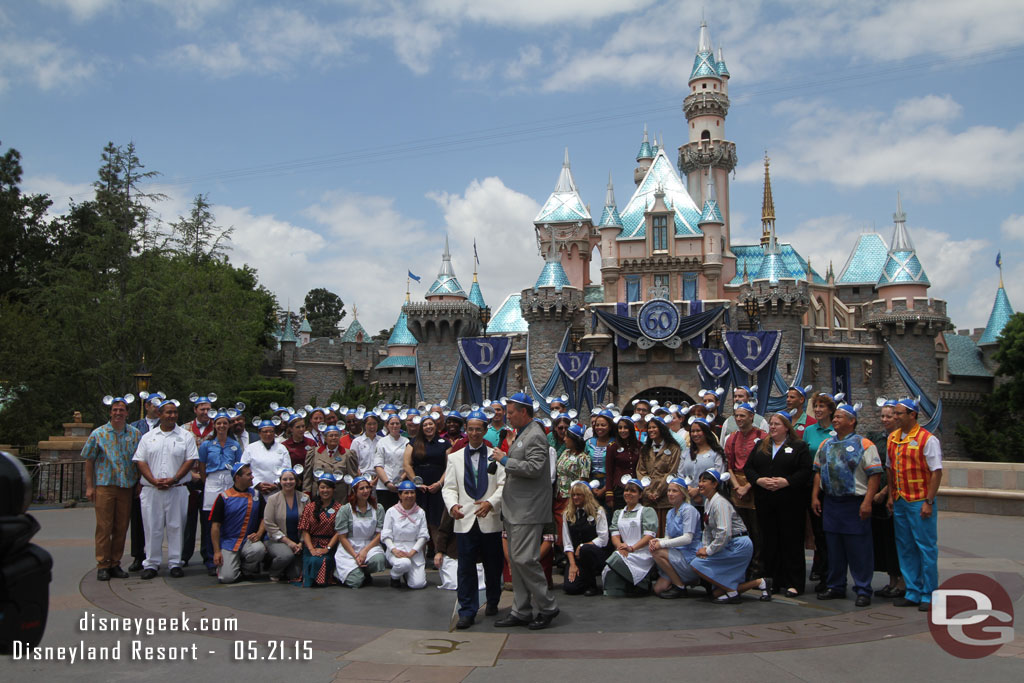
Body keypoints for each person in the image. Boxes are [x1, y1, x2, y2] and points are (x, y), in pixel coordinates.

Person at [490, 392, 560, 630]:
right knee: (517, 562)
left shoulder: (536, 436)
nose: (507, 417)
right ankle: (521, 610)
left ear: (523, 411)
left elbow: (534, 467)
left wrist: (504, 460)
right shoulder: (522, 434)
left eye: (510, 413)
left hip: (528, 510)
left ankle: (548, 605)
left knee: (524, 559)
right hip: (515, 509)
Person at [812, 401, 882, 607]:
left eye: (839, 417)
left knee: (858, 548)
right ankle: (836, 585)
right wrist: (815, 496)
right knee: (834, 547)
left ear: (852, 421)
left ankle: (862, 588)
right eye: (834, 417)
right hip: (832, 502)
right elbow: (817, 471)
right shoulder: (826, 444)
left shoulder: (865, 444)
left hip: (854, 502)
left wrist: (868, 501)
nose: (834, 420)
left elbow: (875, 474)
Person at [442, 409, 506, 629]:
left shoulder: (495, 455)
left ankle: (493, 600)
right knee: (465, 567)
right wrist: (452, 506)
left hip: (489, 517)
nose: (475, 433)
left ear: (485, 431)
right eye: (471, 429)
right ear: (466, 431)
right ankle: (467, 611)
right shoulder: (454, 458)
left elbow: (503, 485)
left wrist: (491, 503)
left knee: (493, 564)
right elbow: (449, 487)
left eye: (479, 429)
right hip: (465, 518)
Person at [744, 410, 811, 597]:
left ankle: (794, 582)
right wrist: (759, 481)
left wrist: (786, 482)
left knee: (791, 542)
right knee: (769, 542)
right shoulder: (761, 446)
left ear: (786, 427)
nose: (772, 427)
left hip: (790, 502)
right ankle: (772, 580)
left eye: (777, 424)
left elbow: (805, 471)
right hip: (766, 501)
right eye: (771, 423)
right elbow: (749, 468)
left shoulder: (799, 446)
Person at [132, 399, 198, 579]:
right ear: (159, 415)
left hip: (177, 488)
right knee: (152, 527)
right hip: (152, 490)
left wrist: (174, 478)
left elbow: (190, 460)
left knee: (176, 526)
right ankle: (151, 563)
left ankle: (175, 562)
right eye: (168, 412)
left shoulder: (185, 436)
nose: (172, 416)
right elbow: (140, 461)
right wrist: (153, 480)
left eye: (175, 412)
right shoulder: (148, 437)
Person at [887, 398, 942, 611]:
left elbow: (936, 472)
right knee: (905, 547)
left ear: (912, 415)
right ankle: (913, 590)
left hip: (919, 500)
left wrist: (929, 501)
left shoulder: (927, 439)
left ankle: (929, 594)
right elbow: (890, 468)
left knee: (926, 547)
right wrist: (892, 496)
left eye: (899, 413)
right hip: (901, 499)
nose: (895, 417)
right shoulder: (892, 438)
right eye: (895, 413)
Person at [82, 393, 141, 581]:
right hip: (105, 485)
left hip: (126, 486)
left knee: (121, 527)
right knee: (104, 527)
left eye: (121, 410)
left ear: (127, 413)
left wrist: (139, 482)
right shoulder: (98, 433)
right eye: (115, 410)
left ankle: (115, 563)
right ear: (110, 412)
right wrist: (90, 486)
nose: (118, 413)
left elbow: (139, 461)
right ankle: (102, 564)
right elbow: (89, 460)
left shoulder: (134, 433)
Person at [690, 469, 771, 603]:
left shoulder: (720, 503)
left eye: (704, 481)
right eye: (699, 481)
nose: (700, 484)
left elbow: (724, 532)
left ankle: (732, 592)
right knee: (716, 593)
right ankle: (759, 583)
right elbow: (708, 530)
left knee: (696, 564)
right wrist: (705, 548)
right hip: (727, 545)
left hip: (738, 545)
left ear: (715, 484)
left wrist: (709, 550)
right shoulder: (709, 502)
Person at [722, 402, 766, 577]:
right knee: (740, 529)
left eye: (743, 416)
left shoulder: (763, 437)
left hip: (755, 485)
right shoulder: (732, 438)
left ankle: (758, 567)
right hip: (737, 486)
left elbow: (764, 465)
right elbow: (729, 465)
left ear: (751, 417)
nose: (739, 419)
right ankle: (742, 565)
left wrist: (749, 485)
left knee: (757, 529)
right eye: (737, 416)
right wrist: (737, 486)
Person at [197, 410, 242, 576]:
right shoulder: (207, 445)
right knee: (210, 521)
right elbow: (201, 466)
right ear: (214, 426)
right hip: (213, 481)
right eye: (218, 423)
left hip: (229, 480)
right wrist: (206, 481)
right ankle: (210, 558)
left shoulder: (234, 444)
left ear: (229, 425)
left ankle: (228, 555)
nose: (222, 426)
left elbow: (238, 464)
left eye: (225, 423)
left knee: (228, 519)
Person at [869, 399, 904, 599]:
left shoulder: (900, 439)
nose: (885, 419)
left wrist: (884, 492)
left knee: (897, 540)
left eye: (889, 416)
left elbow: (895, 472)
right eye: (882, 416)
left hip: (892, 495)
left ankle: (902, 581)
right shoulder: (878, 439)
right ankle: (891, 580)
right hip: (877, 497)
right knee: (883, 541)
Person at [210, 463, 265, 583]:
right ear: (238, 478)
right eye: (248, 474)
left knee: (259, 549)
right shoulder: (224, 497)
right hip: (229, 542)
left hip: (248, 540)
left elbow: (264, 518)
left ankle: (246, 570)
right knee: (227, 578)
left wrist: (259, 534)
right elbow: (215, 526)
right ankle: (230, 566)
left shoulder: (256, 494)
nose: (252, 477)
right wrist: (217, 551)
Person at [804, 392, 837, 588]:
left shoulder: (836, 429)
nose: (817, 410)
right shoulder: (809, 430)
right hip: (813, 485)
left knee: (830, 532)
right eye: (815, 406)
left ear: (831, 410)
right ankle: (821, 569)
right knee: (817, 531)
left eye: (821, 406)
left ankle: (831, 573)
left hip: (833, 486)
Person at [603, 476, 658, 596]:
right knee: (610, 583)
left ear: (640, 495)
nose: (628, 493)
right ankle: (629, 585)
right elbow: (615, 535)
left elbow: (649, 536)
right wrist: (621, 547)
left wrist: (632, 548)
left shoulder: (647, 512)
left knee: (614, 559)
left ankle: (642, 583)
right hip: (624, 551)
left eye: (633, 491)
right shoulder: (618, 513)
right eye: (626, 490)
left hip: (642, 553)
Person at [650, 476, 702, 598]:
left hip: (690, 555)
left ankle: (680, 587)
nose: (670, 494)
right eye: (669, 491)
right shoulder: (670, 513)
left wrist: (661, 544)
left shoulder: (689, 510)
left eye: (674, 491)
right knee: (658, 589)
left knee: (657, 552)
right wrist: (657, 540)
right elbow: (668, 538)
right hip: (676, 554)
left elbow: (687, 538)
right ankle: (679, 579)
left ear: (683, 494)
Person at [128, 392, 163, 572]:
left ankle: (157, 556)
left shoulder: (166, 425)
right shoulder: (135, 427)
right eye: (154, 404)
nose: (157, 407)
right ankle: (138, 556)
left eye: (160, 404)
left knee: (159, 522)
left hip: (161, 478)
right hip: (140, 480)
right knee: (139, 521)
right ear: (147, 406)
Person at [403, 414, 449, 549]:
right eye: (425, 425)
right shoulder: (413, 443)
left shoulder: (445, 443)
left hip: (437, 487)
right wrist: (416, 483)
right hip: (419, 488)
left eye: (431, 424)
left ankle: (438, 554)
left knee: (436, 523)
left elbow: (450, 466)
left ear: (436, 426)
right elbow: (407, 465)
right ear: (421, 428)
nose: (428, 427)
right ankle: (418, 555)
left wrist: (440, 483)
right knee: (418, 523)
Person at [334, 476, 387, 588]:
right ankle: (341, 573)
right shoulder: (345, 510)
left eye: (367, 488)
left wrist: (364, 551)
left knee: (379, 560)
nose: (365, 491)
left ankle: (364, 571)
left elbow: (379, 534)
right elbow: (342, 537)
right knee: (355, 582)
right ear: (355, 491)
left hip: (370, 545)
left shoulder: (378, 509)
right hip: (349, 547)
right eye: (361, 488)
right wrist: (355, 555)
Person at [181, 394, 215, 569]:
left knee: (208, 520)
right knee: (188, 520)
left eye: (208, 409)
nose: (205, 412)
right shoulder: (184, 429)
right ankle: (184, 555)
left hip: (210, 480)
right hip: (189, 479)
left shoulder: (216, 428)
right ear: (195, 410)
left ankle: (207, 555)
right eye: (202, 408)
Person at [561, 481, 610, 596]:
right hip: (577, 558)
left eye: (579, 495)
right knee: (570, 588)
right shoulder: (568, 514)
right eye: (573, 495)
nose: (575, 497)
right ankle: (582, 578)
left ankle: (592, 585)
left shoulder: (599, 511)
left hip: (595, 554)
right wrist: (572, 565)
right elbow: (567, 542)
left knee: (585, 550)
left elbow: (603, 539)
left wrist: (583, 546)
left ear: (586, 496)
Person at [381, 480, 430, 589]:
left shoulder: (420, 512)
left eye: (412, 492)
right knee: (404, 563)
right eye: (406, 493)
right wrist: (394, 549)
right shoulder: (391, 512)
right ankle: (395, 576)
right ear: (400, 495)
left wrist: (413, 552)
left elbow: (423, 535)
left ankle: (408, 574)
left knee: (418, 584)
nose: (409, 496)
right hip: (397, 547)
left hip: (414, 549)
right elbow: (386, 535)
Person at [638, 416, 682, 535]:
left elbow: (672, 471)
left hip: (666, 496)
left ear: (662, 429)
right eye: (649, 428)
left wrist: (658, 491)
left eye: (654, 427)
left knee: (665, 530)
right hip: (648, 497)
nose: (651, 430)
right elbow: (641, 471)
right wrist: (648, 491)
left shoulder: (674, 448)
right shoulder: (645, 449)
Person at [263, 466, 308, 582]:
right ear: (280, 481)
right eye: (285, 479)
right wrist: (289, 543)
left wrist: (301, 542)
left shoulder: (305, 498)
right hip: (277, 540)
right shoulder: (273, 499)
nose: (288, 482)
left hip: (298, 542)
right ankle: (274, 572)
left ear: (297, 481)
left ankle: (287, 568)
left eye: (291, 479)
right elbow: (269, 524)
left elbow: (308, 522)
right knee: (286, 556)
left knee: (296, 575)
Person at [298, 473, 342, 587]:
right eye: (322, 487)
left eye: (328, 487)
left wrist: (327, 548)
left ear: (333, 489)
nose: (325, 490)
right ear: (318, 489)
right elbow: (305, 530)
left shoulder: (339, 508)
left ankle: (323, 580)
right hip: (311, 544)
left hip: (330, 545)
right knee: (312, 559)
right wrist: (311, 549)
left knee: (323, 560)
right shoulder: (310, 507)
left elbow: (339, 531)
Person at [241, 418, 291, 515]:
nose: (268, 434)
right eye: (265, 431)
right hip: (255, 490)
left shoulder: (282, 448)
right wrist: (257, 484)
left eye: (271, 431)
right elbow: (244, 469)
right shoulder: (250, 448)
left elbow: (287, 468)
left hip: (277, 490)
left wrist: (276, 484)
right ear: (259, 433)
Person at [677, 417, 724, 518]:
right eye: (692, 431)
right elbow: (680, 475)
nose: (695, 434)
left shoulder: (716, 453)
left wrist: (698, 491)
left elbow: (717, 476)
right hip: (688, 500)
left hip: (710, 500)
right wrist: (689, 490)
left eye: (698, 431)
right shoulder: (686, 453)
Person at [553, 423, 590, 543]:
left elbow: (583, 480)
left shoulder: (583, 458)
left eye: (567, 437)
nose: (564, 439)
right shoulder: (565, 453)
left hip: (571, 497)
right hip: (558, 494)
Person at [305, 425, 358, 503]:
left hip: (340, 496)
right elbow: (308, 476)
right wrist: (306, 492)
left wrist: (352, 494)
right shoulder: (314, 453)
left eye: (336, 435)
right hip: (319, 495)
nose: (334, 438)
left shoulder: (348, 454)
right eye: (331, 435)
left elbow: (352, 476)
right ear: (325, 438)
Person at [605, 415, 642, 512]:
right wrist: (609, 494)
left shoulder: (639, 446)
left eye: (626, 427)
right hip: (619, 489)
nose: (622, 430)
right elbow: (609, 472)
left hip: (636, 488)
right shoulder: (612, 447)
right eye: (620, 428)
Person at [374, 415, 410, 509]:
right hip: (384, 486)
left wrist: (400, 480)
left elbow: (409, 465)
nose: (395, 426)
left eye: (397, 423)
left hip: (401, 485)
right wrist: (387, 483)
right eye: (392, 423)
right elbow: (378, 465)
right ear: (387, 425)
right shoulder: (382, 442)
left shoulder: (406, 441)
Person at [586, 409, 615, 497]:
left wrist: (604, 489)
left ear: (610, 427)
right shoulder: (589, 443)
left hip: (610, 484)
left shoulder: (615, 443)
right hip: (592, 483)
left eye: (603, 425)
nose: (599, 428)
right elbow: (585, 466)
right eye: (597, 425)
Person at [351, 413, 383, 481]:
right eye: (369, 424)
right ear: (364, 425)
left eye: (374, 424)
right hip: (362, 478)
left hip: (379, 478)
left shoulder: (382, 441)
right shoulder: (357, 442)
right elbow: (353, 462)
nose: (372, 427)